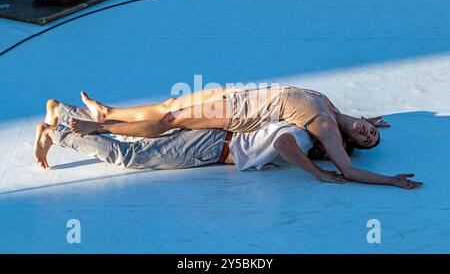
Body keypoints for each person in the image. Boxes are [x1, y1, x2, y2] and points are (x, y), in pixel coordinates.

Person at [68, 85, 422, 189]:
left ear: (350, 144)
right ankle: (107, 113)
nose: (367, 132)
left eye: (365, 139)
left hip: (239, 114)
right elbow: (358, 124)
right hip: (241, 96)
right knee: (169, 108)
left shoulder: (327, 130)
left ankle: (97, 127)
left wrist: (389, 180)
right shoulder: (331, 107)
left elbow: (348, 171)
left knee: (168, 119)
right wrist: (369, 121)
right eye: (370, 131)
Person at [34, 99, 350, 183]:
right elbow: (284, 147)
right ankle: (57, 133)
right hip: (212, 146)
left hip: (215, 137)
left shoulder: (303, 122)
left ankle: (61, 112)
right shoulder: (302, 139)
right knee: (132, 156)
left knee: (140, 140)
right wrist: (318, 173)